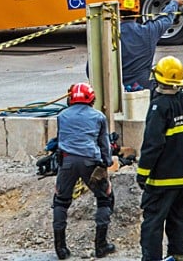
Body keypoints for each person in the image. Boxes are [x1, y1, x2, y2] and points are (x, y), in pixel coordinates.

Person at [137, 56, 183, 261]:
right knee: (179, 221)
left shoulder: (159, 107)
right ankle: (179, 258)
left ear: (159, 80)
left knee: (153, 224)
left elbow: (152, 145)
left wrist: (142, 174)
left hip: (163, 181)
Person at [51, 82, 116, 260]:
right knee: (104, 198)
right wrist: (106, 165)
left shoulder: (62, 116)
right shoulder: (98, 117)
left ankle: (61, 249)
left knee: (61, 201)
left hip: (67, 162)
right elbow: (104, 145)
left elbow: (60, 141)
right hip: (90, 161)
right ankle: (101, 245)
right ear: (92, 98)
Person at [118, 0, 183, 92]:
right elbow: (165, 19)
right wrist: (174, 2)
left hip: (115, 91)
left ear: (118, 12)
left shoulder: (110, 36)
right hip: (142, 91)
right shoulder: (148, 31)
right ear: (138, 12)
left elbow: (91, 69)